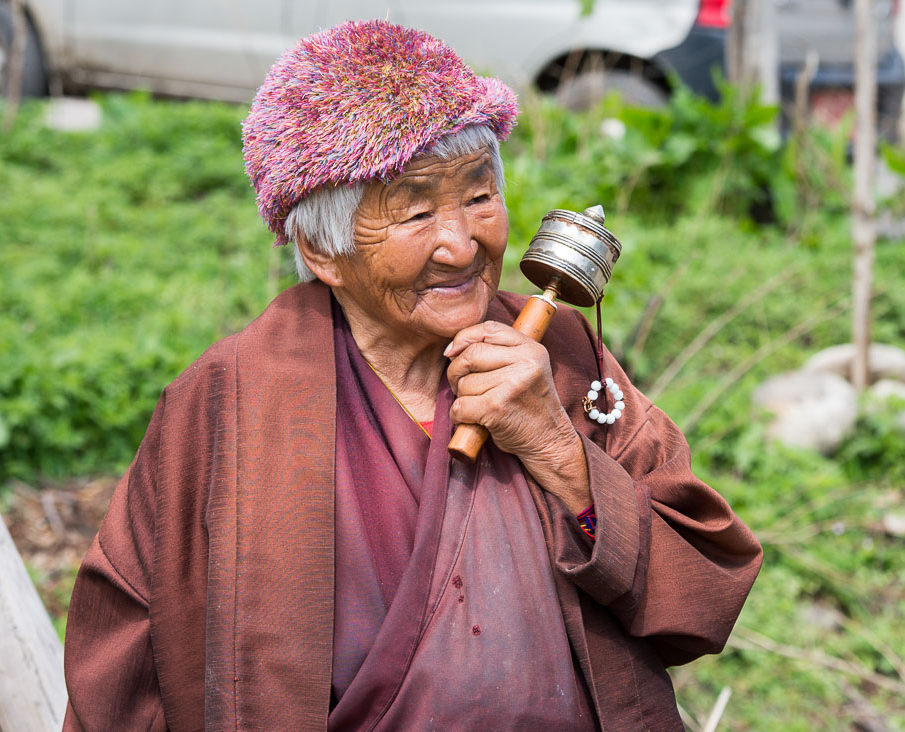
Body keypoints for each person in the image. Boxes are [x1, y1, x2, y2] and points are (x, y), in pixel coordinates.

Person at [62, 20, 762, 732]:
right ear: (321, 251)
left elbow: (704, 595)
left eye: (479, 197)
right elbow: (124, 659)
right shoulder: (230, 401)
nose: (461, 244)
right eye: (416, 210)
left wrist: (557, 450)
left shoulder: (564, 356)